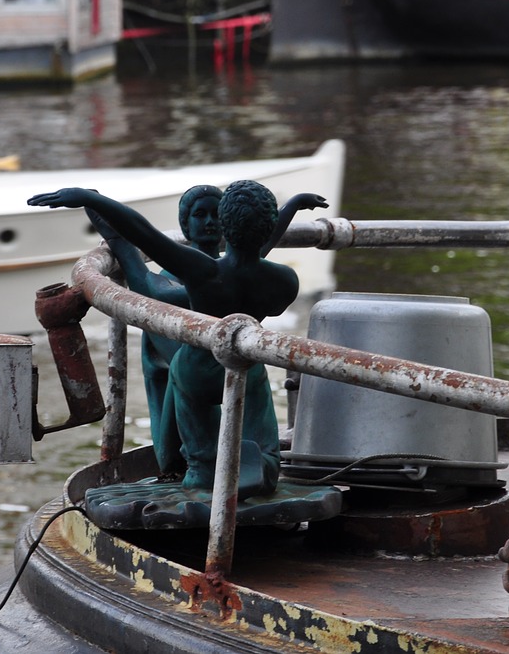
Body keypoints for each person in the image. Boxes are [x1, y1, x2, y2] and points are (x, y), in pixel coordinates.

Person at [30, 180, 321, 499]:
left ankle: (198, 477)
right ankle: (262, 472)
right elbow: (257, 251)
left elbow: (142, 232)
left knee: (198, 456)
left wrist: (91, 200)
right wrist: (291, 206)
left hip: (194, 368)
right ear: (267, 228)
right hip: (244, 363)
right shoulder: (284, 280)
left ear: (224, 225)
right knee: (263, 444)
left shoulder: (205, 274)